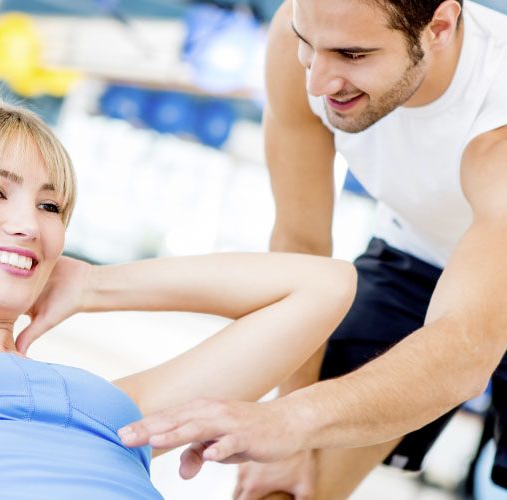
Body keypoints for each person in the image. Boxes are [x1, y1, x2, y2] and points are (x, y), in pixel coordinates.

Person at [0, 100, 356, 499]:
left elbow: (326, 286)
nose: (27, 224)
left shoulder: (122, 411)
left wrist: (94, 285)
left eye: (51, 208)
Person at [117, 0, 507, 498]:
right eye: (310, 46)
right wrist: (289, 428)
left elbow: (465, 350)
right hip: (416, 256)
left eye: (352, 54)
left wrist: (289, 419)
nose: (318, 83)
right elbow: (301, 247)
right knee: (289, 480)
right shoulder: (296, 32)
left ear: (439, 27)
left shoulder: (497, 120)